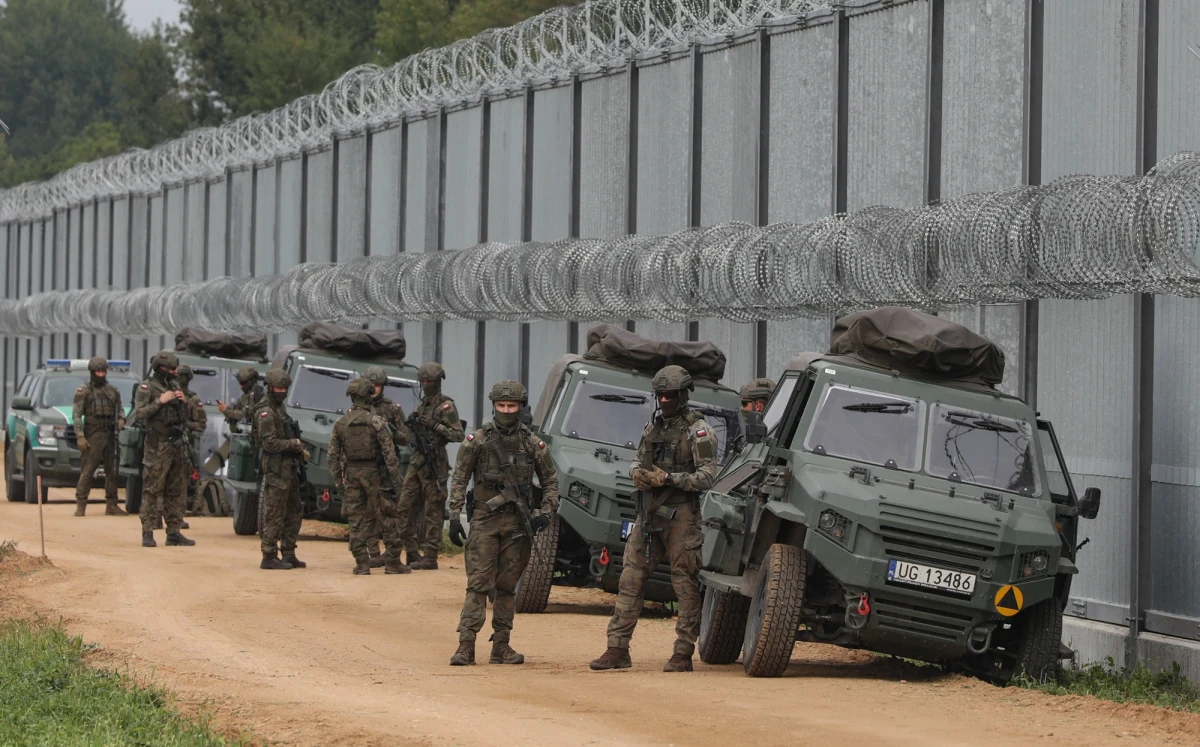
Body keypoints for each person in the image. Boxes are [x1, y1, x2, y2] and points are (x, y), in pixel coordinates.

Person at [590, 365, 719, 673]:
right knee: (630, 579)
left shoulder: (699, 431)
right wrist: (637, 474)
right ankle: (617, 648)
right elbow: (637, 460)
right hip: (648, 515)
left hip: (681, 518)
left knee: (684, 584)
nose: (664, 401)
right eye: (659, 395)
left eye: (670, 396)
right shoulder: (653, 427)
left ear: (683, 395)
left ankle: (683, 653)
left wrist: (669, 479)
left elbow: (707, 477)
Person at [447, 380, 558, 666]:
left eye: (512, 406)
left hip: (518, 525)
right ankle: (466, 645)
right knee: (478, 584)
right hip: (484, 522)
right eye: (501, 405)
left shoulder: (532, 443)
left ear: (521, 407)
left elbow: (551, 481)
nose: (507, 410)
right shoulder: (479, 441)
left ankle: (501, 645)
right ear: (493, 406)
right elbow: (459, 478)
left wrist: (546, 511)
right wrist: (454, 515)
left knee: (507, 586)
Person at [328, 377, 410, 576]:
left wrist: (339, 482)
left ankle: (362, 563)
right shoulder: (377, 422)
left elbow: (332, 457)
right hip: (375, 474)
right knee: (386, 516)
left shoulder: (340, 424)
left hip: (352, 475)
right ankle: (392, 562)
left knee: (355, 519)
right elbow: (390, 455)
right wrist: (397, 483)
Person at [397, 361, 464, 570]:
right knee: (404, 508)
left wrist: (435, 425)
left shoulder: (446, 406)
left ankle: (431, 556)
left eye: (429, 381)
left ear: (437, 382)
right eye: (423, 381)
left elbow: (458, 434)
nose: (425, 384)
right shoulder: (423, 405)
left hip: (435, 462)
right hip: (417, 461)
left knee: (433, 511)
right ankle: (411, 550)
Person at [134, 351, 195, 548]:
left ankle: (174, 532)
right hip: (157, 445)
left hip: (176, 444)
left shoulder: (174, 385)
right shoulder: (147, 387)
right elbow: (140, 414)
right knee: (152, 489)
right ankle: (148, 532)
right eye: (170, 369)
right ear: (160, 368)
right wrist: (160, 401)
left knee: (176, 489)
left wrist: (183, 402)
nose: (174, 372)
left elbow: (185, 417)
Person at [362, 365, 414, 567]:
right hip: (366, 466)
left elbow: (406, 437)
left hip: (386, 467)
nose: (374, 389)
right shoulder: (359, 408)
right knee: (367, 510)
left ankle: (391, 552)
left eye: (378, 385)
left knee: (389, 510)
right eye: (371, 385)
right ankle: (373, 552)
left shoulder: (393, 409)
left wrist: (391, 431)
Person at [256, 368, 307, 570]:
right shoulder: (265, 412)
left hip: (288, 468)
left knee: (294, 510)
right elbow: (270, 444)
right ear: (269, 388)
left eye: (285, 388)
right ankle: (268, 555)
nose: (282, 391)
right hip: (276, 469)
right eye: (278, 387)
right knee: (274, 513)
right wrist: (293, 444)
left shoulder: (279, 408)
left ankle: (288, 552)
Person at [72, 357, 127, 517]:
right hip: (93, 433)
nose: (101, 374)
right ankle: (81, 504)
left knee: (112, 471)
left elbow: (121, 410)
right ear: (92, 372)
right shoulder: (84, 391)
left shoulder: (112, 391)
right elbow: (76, 415)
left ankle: (112, 504)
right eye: (98, 372)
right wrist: (80, 436)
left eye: (103, 371)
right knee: (88, 470)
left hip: (110, 433)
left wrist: (121, 420)